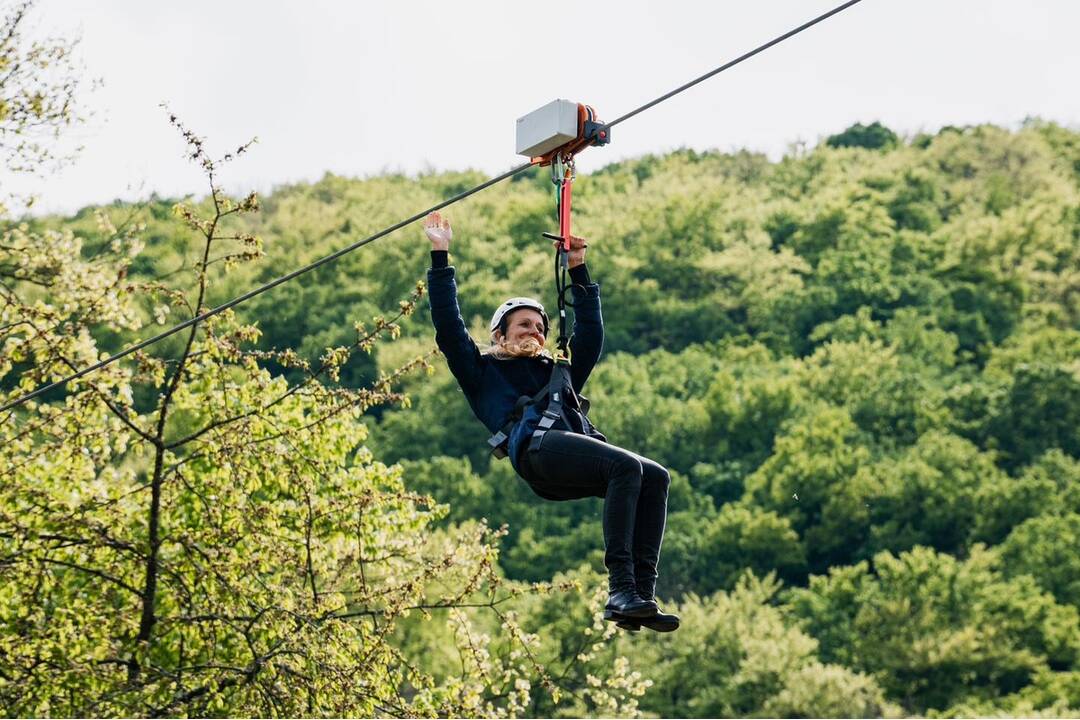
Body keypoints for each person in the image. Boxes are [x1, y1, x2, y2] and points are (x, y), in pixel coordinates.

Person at [423, 211, 678, 633]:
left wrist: (578, 269)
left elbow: (591, 339)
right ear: (499, 336)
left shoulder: (558, 372)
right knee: (626, 466)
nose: (535, 333)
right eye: (524, 325)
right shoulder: (483, 372)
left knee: (655, 476)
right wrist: (440, 256)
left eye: (541, 327)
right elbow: (449, 328)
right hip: (538, 452)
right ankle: (620, 587)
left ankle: (638, 597)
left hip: (566, 457)